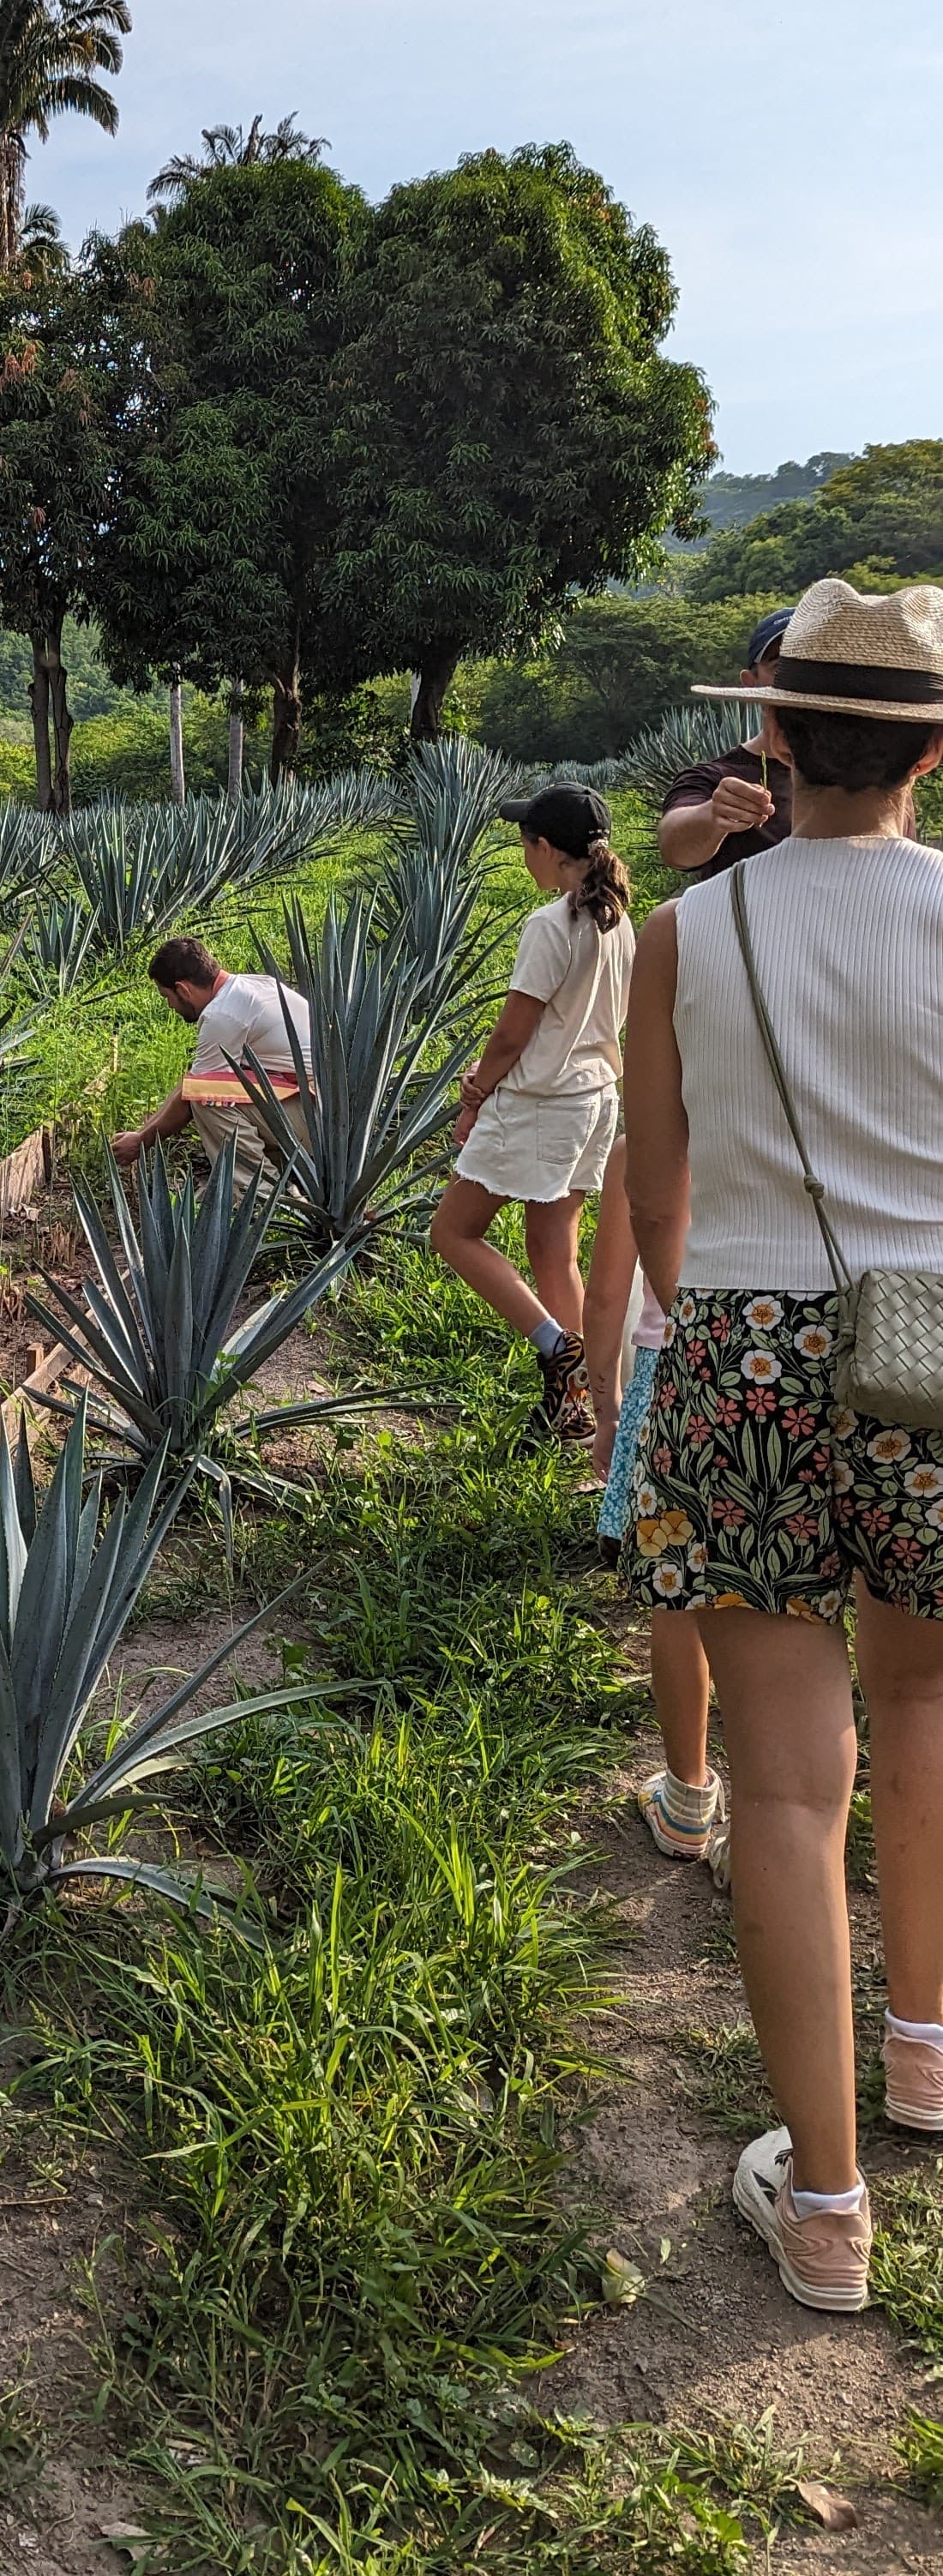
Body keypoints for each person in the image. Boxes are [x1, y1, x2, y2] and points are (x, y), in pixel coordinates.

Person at [624, 575, 943, 2318]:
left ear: (772, 733)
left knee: (789, 1780)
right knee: (926, 1706)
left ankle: (823, 2209)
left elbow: (656, 1187)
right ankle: (927, 2053)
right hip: (934, 1334)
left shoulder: (694, 933)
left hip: (744, 1333)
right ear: (934, 748)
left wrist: (715, 1333)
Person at [429, 782, 634, 1441]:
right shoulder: (617, 921)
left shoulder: (551, 925)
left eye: (525, 843)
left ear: (546, 849)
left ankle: (556, 1346)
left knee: (452, 1233)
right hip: (595, 1099)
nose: (523, 855)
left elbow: (514, 1033)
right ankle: (593, 1399)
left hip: (541, 1102)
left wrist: (473, 1095)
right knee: (553, 1251)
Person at [586, 1140, 727, 1874]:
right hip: (789, 1359)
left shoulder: (642, 1147)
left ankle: (687, 1798)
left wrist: (605, 1406)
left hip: (676, 1374)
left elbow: (609, 1291)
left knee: (679, 1597)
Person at [110, 936, 311, 1183]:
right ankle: (285, 1179)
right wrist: (141, 1133)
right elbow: (191, 1083)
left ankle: (258, 1195)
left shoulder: (223, 1015)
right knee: (206, 1088)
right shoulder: (254, 985)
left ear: (183, 989)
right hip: (315, 1112)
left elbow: (195, 1095)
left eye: (167, 997)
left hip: (312, 1119)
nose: (170, 1006)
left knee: (208, 1101)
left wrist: (141, 1143)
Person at [657, 607, 794, 877]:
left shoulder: (866, 774)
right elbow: (673, 844)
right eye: (781, 666)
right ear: (750, 682)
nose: (796, 677)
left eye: (808, 663)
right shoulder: (712, 778)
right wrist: (713, 815)